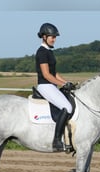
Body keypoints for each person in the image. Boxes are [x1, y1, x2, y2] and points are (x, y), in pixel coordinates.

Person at [35, 22, 73, 152]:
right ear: (44, 37)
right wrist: (62, 84)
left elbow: (54, 73)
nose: (54, 39)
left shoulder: (49, 52)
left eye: (55, 37)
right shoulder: (41, 52)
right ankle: (56, 140)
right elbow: (46, 74)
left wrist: (66, 82)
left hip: (51, 85)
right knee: (67, 107)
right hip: (45, 85)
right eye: (52, 36)